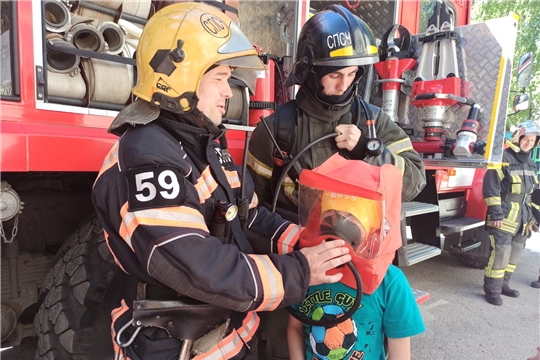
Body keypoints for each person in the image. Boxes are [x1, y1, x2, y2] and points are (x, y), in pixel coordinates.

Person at [91, 3, 352, 360]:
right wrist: (302, 269)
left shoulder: (203, 144)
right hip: (171, 344)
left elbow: (249, 216)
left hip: (224, 336)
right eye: (218, 78)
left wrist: (312, 239)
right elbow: (199, 266)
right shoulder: (146, 156)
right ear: (178, 76)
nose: (228, 92)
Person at [246, 5, 426, 359]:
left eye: (351, 73)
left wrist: (369, 150)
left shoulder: (375, 123)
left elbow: (415, 179)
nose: (344, 84)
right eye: (334, 75)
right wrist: (293, 249)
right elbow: (252, 211)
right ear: (311, 73)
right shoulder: (275, 131)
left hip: (363, 271)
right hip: (295, 269)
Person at [288, 159, 425, 360]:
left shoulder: (390, 282)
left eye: (349, 217)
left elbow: (400, 351)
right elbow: (294, 327)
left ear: (372, 227)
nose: (336, 224)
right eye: (330, 214)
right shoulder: (309, 269)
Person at [482, 120, 540, 306]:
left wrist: (535, 216)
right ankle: (492, 290)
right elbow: (491, 187)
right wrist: (496, 214)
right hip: (504, 215)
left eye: (533, 141)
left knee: (515, 252)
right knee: (501, 253)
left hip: (523, 218)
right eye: (526, 139)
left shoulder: (531, 164)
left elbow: (532, 193)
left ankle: (504, 285)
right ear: (518, 137)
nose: (529, 143)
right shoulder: (503, 157)